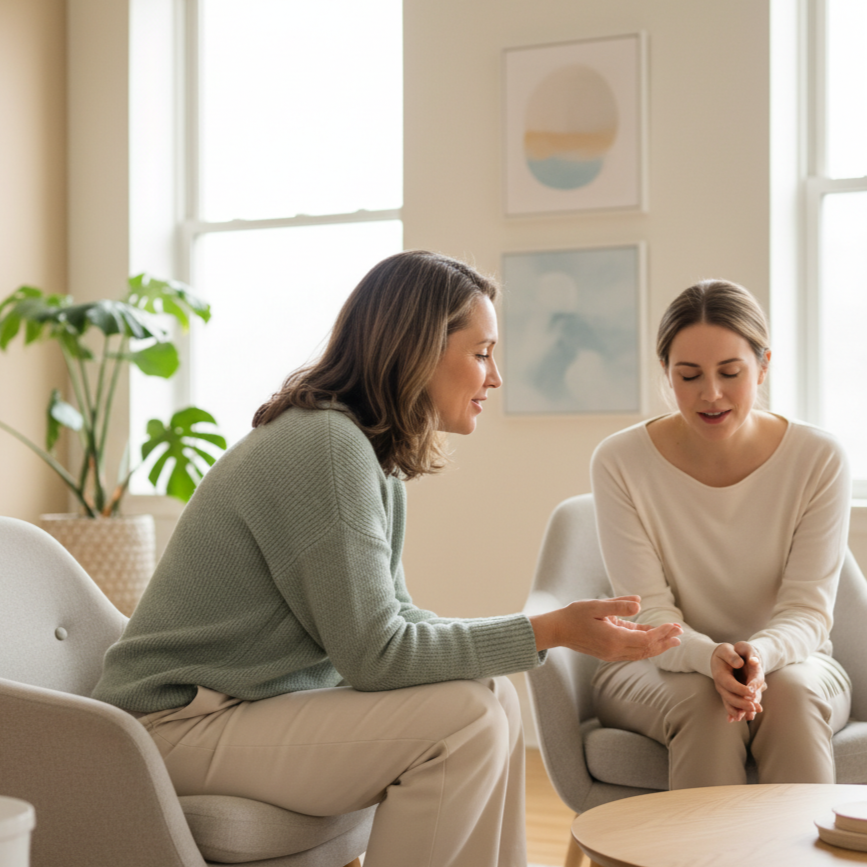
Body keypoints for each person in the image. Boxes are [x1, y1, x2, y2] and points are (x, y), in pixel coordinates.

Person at [93, 250, 681, 867]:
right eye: (481, 353)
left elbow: (397, 619)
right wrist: (550, 631)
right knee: (465, 721)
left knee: (493, 698)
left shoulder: (363, 453)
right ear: (419, 349)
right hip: (171, 729)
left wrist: (540, 635)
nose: (495, 376)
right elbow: (376, 654)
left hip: (242, 711)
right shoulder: (324, 445)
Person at [590, 278, 853, 790]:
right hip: (653, 662)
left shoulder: (818, 458)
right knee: (708, 706)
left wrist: (757, 659)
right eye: (688, 376)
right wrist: (706, 657)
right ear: (665, 373)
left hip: (794, 662)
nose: (711, 394)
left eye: (730, 372)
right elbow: (649, 616)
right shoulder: (620, 461)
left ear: (764, 365)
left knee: (791, 698)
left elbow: (807, 612)